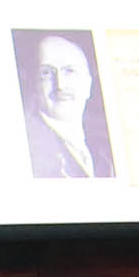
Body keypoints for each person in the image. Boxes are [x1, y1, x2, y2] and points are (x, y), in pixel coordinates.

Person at [18, 30, 113, 179]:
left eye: (69, 71)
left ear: (88, 84)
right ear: (33, 85)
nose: (60, 85)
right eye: (47, 73)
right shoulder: (29, 150)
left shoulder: (105, 152)